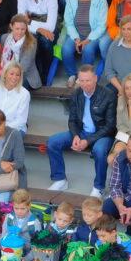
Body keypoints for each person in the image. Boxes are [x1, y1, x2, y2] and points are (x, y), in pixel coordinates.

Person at [47, 66, 116, 196]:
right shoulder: (76, 94)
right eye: (82, 80)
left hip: (102, 134)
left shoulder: (108, 95)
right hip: (82, 132)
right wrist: (75, 136)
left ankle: (99, 187)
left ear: (95, 78)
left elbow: (110, 126)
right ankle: (60, 179)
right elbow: (72, 120)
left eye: (88, 80)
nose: (84, 84)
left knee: (99, 150)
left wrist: (88, 141)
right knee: (53, 142)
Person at [61, 0, 108, 85]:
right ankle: (72, 74)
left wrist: (88, 39)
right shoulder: (71, 0)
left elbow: (102, 25)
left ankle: (85, 77)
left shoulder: (100, 0)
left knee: (88, 50)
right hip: (76, 33)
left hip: (93, 35)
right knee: (66, 49)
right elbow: (69, 23)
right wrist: (76, 38)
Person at [15, 0, 57, 84]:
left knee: (46, 42)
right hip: (32, 29)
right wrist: (38, 29)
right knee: (31, 42)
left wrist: (30, 21)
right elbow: (21, 23)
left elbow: (50, 26)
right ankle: (32, 78)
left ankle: (45, 75)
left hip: (47, 29)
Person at [0, 62, 30, 133]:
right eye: (11, 74)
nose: (14, 77)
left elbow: (21, 120)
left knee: (2, 140)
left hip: (14, 129)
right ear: (5, 74)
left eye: (17, 75)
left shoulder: (24, 94)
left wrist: (0, 128)